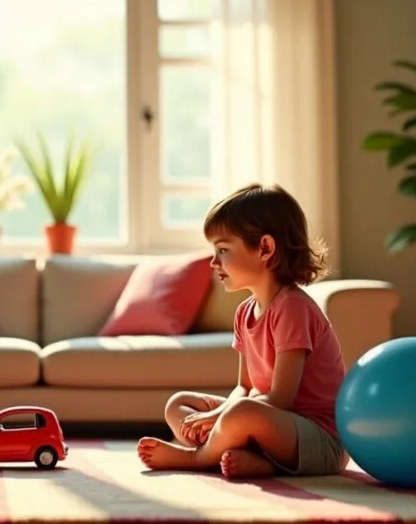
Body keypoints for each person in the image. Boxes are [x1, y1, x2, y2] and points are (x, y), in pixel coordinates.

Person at [137, 183, 349, 479]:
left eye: (223, 250)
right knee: (179, 404)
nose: (214, 262)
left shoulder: (292, 307)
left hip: (318, 441)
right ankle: (253, 460)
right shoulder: (244, 312)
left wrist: (218, 417)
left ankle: (198, 458)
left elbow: (280, 398)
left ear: (265, 248)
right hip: (270, 424)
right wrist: (214, 416)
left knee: (241, 413)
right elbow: (245, 387)